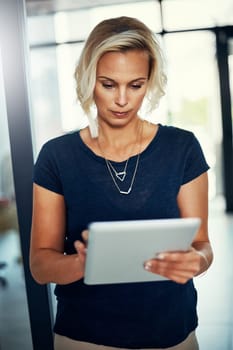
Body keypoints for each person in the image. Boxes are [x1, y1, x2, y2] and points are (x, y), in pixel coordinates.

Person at [30, 16, 213, 350]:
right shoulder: (57, 156)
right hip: (84, 336)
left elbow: (203, 245)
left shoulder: (182, 147)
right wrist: (81, 264)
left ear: (150, 82)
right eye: (108, 84)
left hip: (172, 333)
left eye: (136, 85)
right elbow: (41, 265)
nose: (122, 100)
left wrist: (196, 261)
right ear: (88, 80)